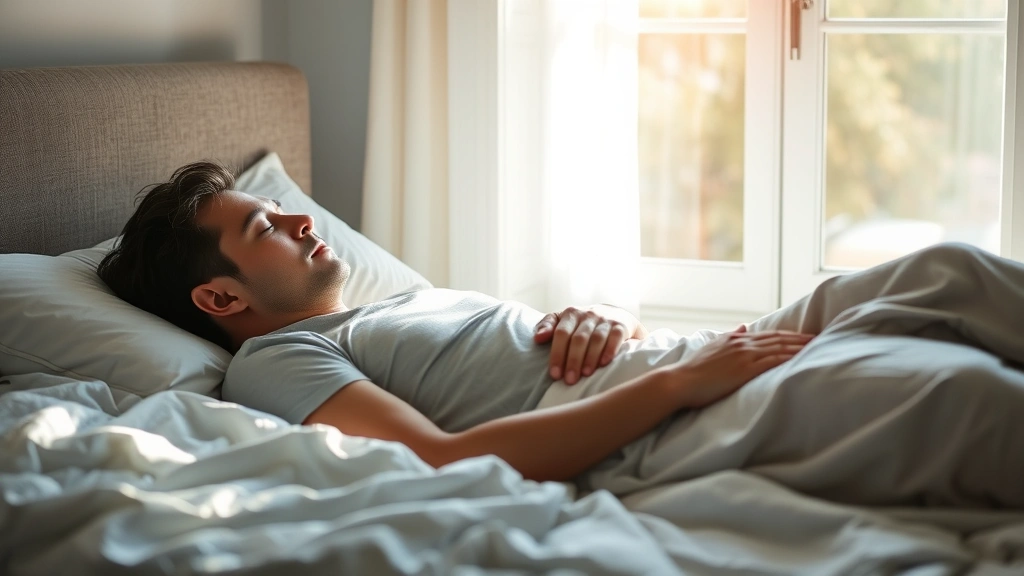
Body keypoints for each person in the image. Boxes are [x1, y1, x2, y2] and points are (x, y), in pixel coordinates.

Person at [100, 161, 1024, 509]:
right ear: (219, 298)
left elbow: (521, 352)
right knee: (962, 396)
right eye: (264, 227)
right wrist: (674, 387)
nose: (301, 219)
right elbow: (443, 460)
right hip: (658, 422)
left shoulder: (390, 303)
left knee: (949, 270)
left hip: (673, 361)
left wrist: (609, 321)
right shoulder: (276, 361)